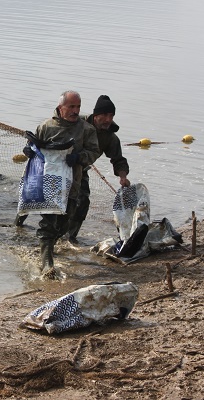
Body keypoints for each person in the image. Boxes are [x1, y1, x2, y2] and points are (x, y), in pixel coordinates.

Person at [23, 91, 99, 275]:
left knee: (64, 223)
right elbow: (33, 148)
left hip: (72, 184)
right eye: (71, 106)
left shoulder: (86, 129)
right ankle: (47, 262)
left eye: (78, 107)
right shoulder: (46, 127)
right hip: (47, 182)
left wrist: (80, 157)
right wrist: (29, 150)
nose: (75, 110)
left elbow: (94, 152)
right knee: (48, 223)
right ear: (60, 108)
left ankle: (47, 247)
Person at [66, 95, 130, 243]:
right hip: (60, 166)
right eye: (105, 115)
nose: (109, 119)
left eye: (112, 115)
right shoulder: (77, 122)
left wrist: (123, 177)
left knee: (82, 202)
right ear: (96, 115)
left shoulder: (110, 137)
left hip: (80, 170)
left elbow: (118, 160)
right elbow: (55, 126)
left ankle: (70, 237)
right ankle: (21, 222)